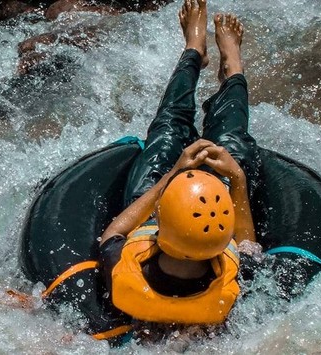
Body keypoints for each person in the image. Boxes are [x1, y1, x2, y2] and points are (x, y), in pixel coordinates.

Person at [98, 0, 262, 328]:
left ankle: (193, 52)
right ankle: (232, 69)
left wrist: (174, 173)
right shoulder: (230, 279)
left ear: (161, 223)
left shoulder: (126, 270)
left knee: (169, 128)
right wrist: (238, 180)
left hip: (158, 204)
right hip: (194, 220)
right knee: (230, 142)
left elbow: (113, 232)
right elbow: (247, 244)